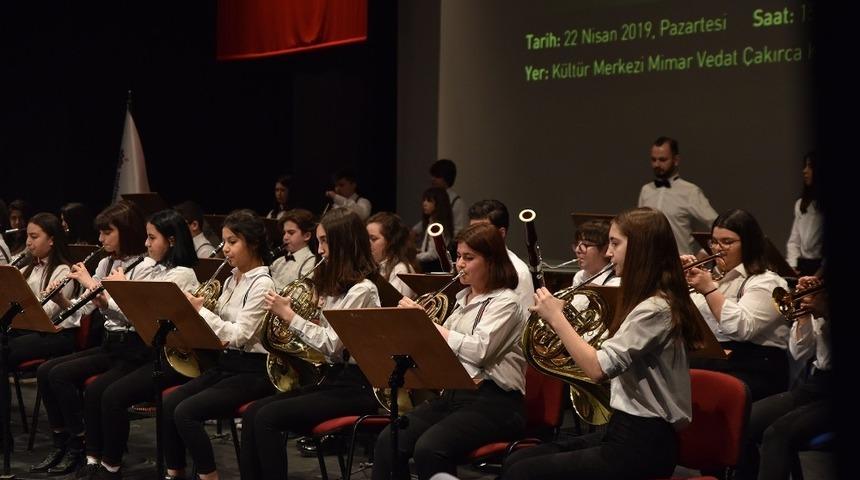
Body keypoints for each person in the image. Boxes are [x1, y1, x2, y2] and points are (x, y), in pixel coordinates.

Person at [501, 207, 708, 480]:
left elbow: (599, 368)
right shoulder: (645, 299)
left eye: (615, 243)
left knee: (524, 472)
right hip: (623, 428)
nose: (608, 253)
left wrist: (558, 319)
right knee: (519, 459)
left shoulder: (656, 308)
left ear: (641, 248)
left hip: (644, 443)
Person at [372, 223, 526, 480]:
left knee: (430, 449)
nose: (459, 264)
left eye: (469, 258)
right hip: (455, 397)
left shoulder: (507, 302)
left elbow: (480, 351)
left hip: (497, 403)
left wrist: (427, 325)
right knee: (389, 439)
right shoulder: (461, 300)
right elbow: (441, 351)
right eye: (458, 257)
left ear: (491, 261)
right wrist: (411, 329)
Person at [239, 207, 381, 480]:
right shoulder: (335, 287)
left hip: (357, 387)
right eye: (318, 241)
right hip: (332, 380)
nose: (320, 248)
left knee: (268, 417)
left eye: (325, 241)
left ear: (343, 242)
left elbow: (333, 345)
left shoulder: (363, 289)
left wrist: (290, 316)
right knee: (254, 412)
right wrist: (309, 320)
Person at [72, 208, 200, 479]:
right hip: (148, 350)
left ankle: (111, 466)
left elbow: (148, 316)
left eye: (152, 238)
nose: (146, 244)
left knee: (112, 395)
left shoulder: (182, 274)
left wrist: (112, 295)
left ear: (172, 241)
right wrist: (108, 299)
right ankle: (94, 460)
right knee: (97, 391)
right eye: (146, 237)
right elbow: (131, 314)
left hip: (170, 356)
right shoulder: (148, 267)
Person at [31, 200, 153, 475]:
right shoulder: (106, 262)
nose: (100, 238)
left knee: (79, 383)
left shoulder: (145, 267)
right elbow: (83, 308)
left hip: (135, 350)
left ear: (126, 230)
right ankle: (66, 440)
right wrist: (62, 300)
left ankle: (86, 449)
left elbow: (136, 318)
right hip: (109, 346)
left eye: (107, 232)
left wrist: (95, 288)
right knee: (46, 371)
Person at [163, 209, 277, 480]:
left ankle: (209, 476)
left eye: (232, 242)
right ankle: (174, 473)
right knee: (169, 404)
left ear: (253, 243)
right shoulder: (230, 279)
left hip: (253, 371)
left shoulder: (263, 283)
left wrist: (199, 311)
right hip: (226, 365)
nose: (225, 249)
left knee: (186, 413)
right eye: (224, 241)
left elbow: (239, 335)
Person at [685, 209, 789, 402]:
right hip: (716, 360)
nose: (718, 248)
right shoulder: (713, 277)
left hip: (756, 366)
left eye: (727, 242)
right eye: (714, 241)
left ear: (748, 244)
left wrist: (709, 290)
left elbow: (741, 329)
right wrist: (678, 281)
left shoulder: (766, 282)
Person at [735, 275, 831, 480]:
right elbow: (800, 352)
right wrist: (804, 315)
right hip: (817, 383)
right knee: (742, 422)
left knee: (777, 434)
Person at [2, 213, 77, 422]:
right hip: (23, 329)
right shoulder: (26, 267)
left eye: (34, 237)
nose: (28, 242)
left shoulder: (63, 271)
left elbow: (48, 314)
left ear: (51, 240)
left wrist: (27, 300)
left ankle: (3, 430)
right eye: (27, 236)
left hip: (50, 334)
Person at [637, 136, 718, 256]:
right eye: (653, 160)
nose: (657, 164)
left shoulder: (690, 191)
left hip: (680, 265)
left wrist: (704, 252)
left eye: (662, 160)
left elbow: (717, 223)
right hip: (649, 262)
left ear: (676, 160)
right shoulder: (646, 190)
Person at [468, 200, 534, 320]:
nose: (474, 237)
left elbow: (524, 322)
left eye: (482, 231)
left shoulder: (518, 272)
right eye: (471, 230)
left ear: (501, 233)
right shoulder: (469, 264)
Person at [785, 152, 823, 277]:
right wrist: (792, 266)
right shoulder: (801, 204)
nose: (804, 171)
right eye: (805, 166)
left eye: (810, 167)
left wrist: (819, 274)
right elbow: (794, 241)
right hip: (803, 266)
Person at [367, 211, 419, 298]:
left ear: (390, 241)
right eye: (366, 238)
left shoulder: (400, 270)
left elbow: (394, 308)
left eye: (373, 239)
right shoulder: (372, 267)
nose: (367, 243)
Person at [269, 208, 317, 289]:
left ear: (307, 236)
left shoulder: (311, 263)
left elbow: (301, 294)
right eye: (284, 233)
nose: (285, 237)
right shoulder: (278, 261)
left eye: (291, 233)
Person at [413, 187, 454, 273]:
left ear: (439, 204)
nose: (424, 204)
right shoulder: (431, 222)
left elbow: (433, 254)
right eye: (424, 200)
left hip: (435, 268)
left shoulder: (438, 226)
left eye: (429, 201)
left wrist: (414, 256)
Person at [571, 219, 620, 288]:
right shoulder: (580, 276)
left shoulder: (615, 283)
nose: (577, 250)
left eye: (585, 245)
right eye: (577, 244)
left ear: (605, 249)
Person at [429, 159, 468, 235]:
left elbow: (460, 230)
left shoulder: (457, 203)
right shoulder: (434, 197)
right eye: (433, 176)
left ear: (446, 177)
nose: (433, 179)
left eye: (437, 176)